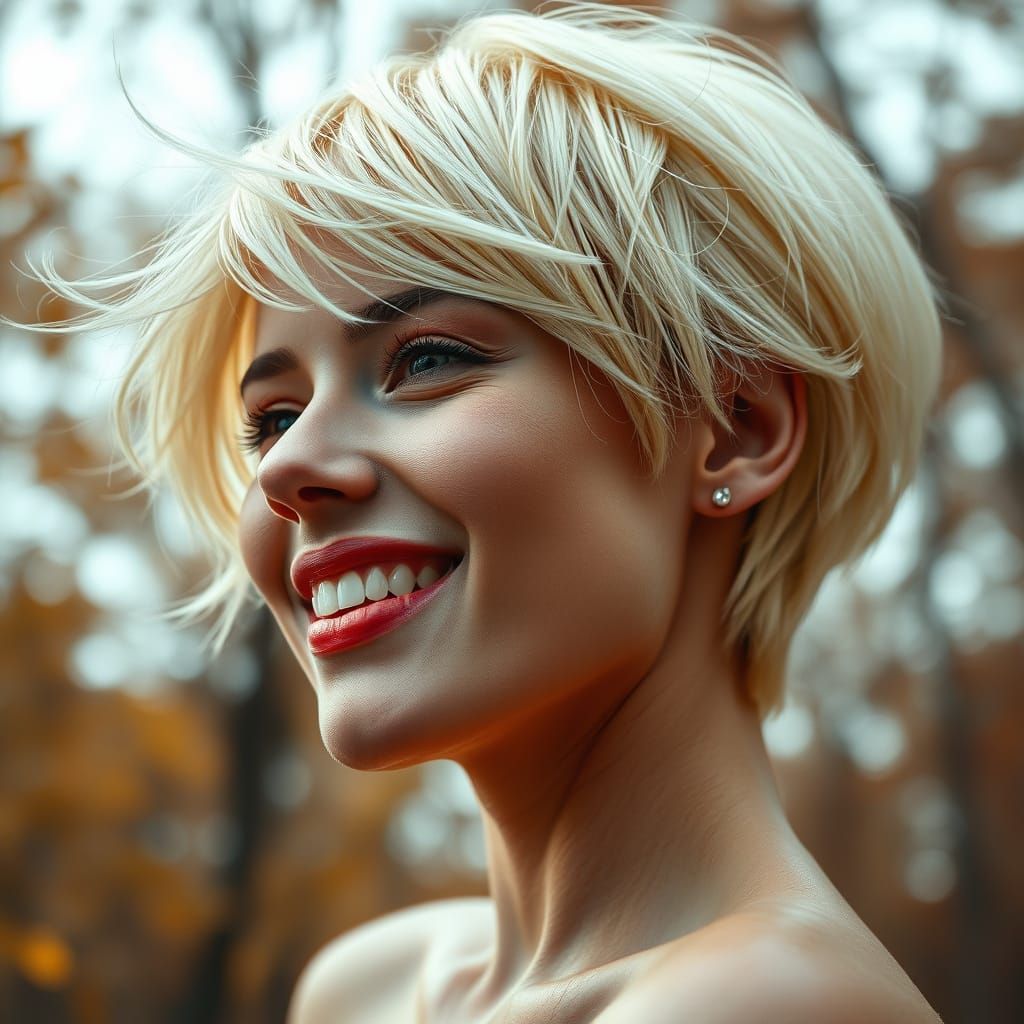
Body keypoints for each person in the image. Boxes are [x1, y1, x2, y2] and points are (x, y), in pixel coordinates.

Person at [40, 4, 944, 1020]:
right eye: (273, 417)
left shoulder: (768, 1001)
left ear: (736, 427)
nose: (287, 465)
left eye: (425, 359)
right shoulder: (363, 989)